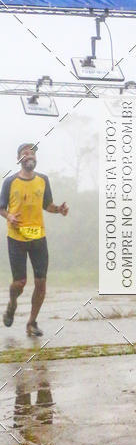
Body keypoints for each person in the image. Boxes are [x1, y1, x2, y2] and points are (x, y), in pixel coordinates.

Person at [1, 143, 68, 337]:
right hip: (16, 238)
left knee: (41, 284)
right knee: (19, 283)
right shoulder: (10, 181)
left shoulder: (43, 180)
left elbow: (48, 205)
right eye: (25, 152)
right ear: (19, 158)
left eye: (32, 152)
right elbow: (1, 207)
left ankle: (32, 322)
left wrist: (59, 210)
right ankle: (12, 303)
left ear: (35, 158)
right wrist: (9, 217)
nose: (29, 154)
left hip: (38, 238)